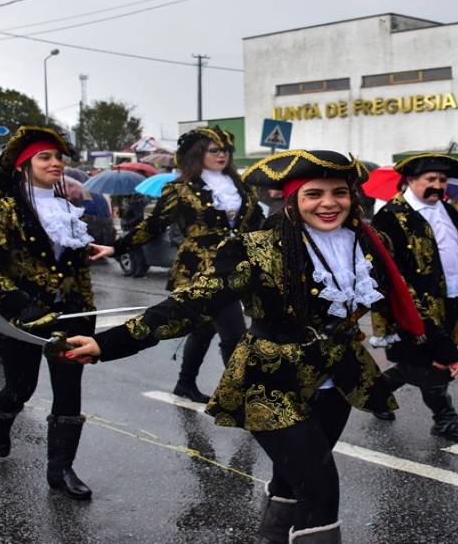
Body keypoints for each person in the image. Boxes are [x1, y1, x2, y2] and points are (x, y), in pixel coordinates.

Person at [67, 149, 422, 543]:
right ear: (291, 199)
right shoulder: (255, 248)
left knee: (292, 480)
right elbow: (191, 304)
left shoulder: (367, 241)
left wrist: (439, 351)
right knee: (320, 489)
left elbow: (404, 297)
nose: (328, 203)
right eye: (314, 194)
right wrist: (107, 343)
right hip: (272, 379)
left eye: (339, 192)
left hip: (336, 380)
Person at [0, 126, 111, 501]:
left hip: (68, 315)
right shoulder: (4, 209)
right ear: (23, 166)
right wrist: (23, 304)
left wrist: (86, 258)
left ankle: (60, 469)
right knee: (21, 388)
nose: (55, 163)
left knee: (69, 389)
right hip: (22, 316)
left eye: (57, 157)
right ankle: (0, 416)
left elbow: (68, 263)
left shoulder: (67, 207)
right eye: (44, 157)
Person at [112, 126, 264, 403]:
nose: (222, 155)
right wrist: (116, 247)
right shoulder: (180, 189)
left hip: (236, 265)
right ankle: (243, 399)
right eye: (214, 150)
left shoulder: (241, 187)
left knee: (203, 328)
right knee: (234, 334)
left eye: (226, 150)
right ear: (198, 153)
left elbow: (257, 225)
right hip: (200, 268)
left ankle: (185, 384)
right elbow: (153, 225)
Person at [369, 153, 458, 443]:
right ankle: (445, 420)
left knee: (412, 365)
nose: (438, 185)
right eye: (430, 179)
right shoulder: (391, 217)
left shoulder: (449, 211)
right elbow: (392, 279)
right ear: (411, 180)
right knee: (434, 364)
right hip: (412, 309)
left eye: (442, 180)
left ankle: (376, 395)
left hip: (451, 301)